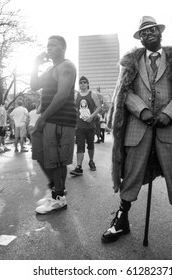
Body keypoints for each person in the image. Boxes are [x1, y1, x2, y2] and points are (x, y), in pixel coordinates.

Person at [102, 16, 172, 253]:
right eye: (143, 32)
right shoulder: (130, 62)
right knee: (130, 176)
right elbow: (124, 92)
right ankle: (121, 220)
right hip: (137, 130)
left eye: (152, 29)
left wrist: (170, 113)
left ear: (160, 33)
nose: (148, 33)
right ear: (140, 37)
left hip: (169, 131)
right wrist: (141, 110)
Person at [30, 35, 77, 214]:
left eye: (53, 45)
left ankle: (59, 198)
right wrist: (35, 64)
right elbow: (34, 85)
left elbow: (62, 95)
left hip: (60, 119)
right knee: (40, 153)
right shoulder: (51, 68)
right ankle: (56, 187)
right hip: (48, 118)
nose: (48, 48)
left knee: (56, 160)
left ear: (63, 48)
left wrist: (43, 117)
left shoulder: (66, 66)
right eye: (47, 45)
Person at [69, 76, 101, 176]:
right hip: (79, 126)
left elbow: (99, 107)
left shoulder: (93, 94)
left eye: (84, 82)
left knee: (90, 146)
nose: (82, 84)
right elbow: (73, 109)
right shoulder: (76, 96)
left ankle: (91, 161)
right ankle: (79, 167)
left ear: (87, 84)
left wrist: (92, 116)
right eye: (80, 82)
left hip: (90, 126)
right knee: (80, 146)